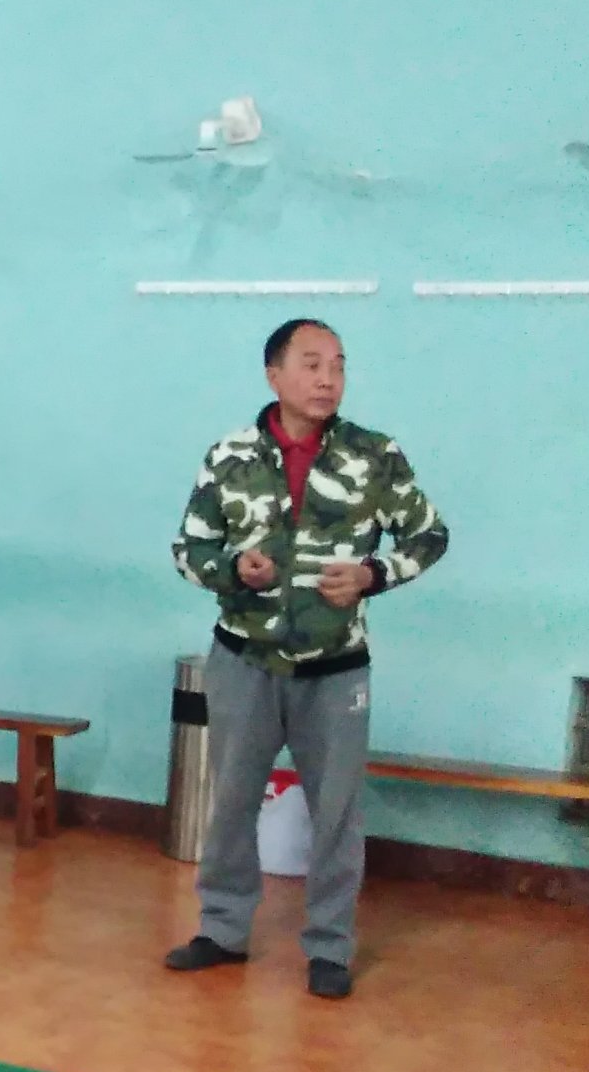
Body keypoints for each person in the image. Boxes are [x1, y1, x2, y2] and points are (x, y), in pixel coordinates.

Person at [165, 319, 448, 1000]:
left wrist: (374, 575)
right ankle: (222, 930)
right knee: (231, 803)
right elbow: (189, 549)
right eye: (312, 364)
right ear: (275, 375)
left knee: (337, 812)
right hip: (244, 660)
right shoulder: (230, 455)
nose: (328, 379)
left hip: (336, 668)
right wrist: (235, 570)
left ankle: (329, 946)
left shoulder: (375, 455)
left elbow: (429, 534)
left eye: (338, 366)